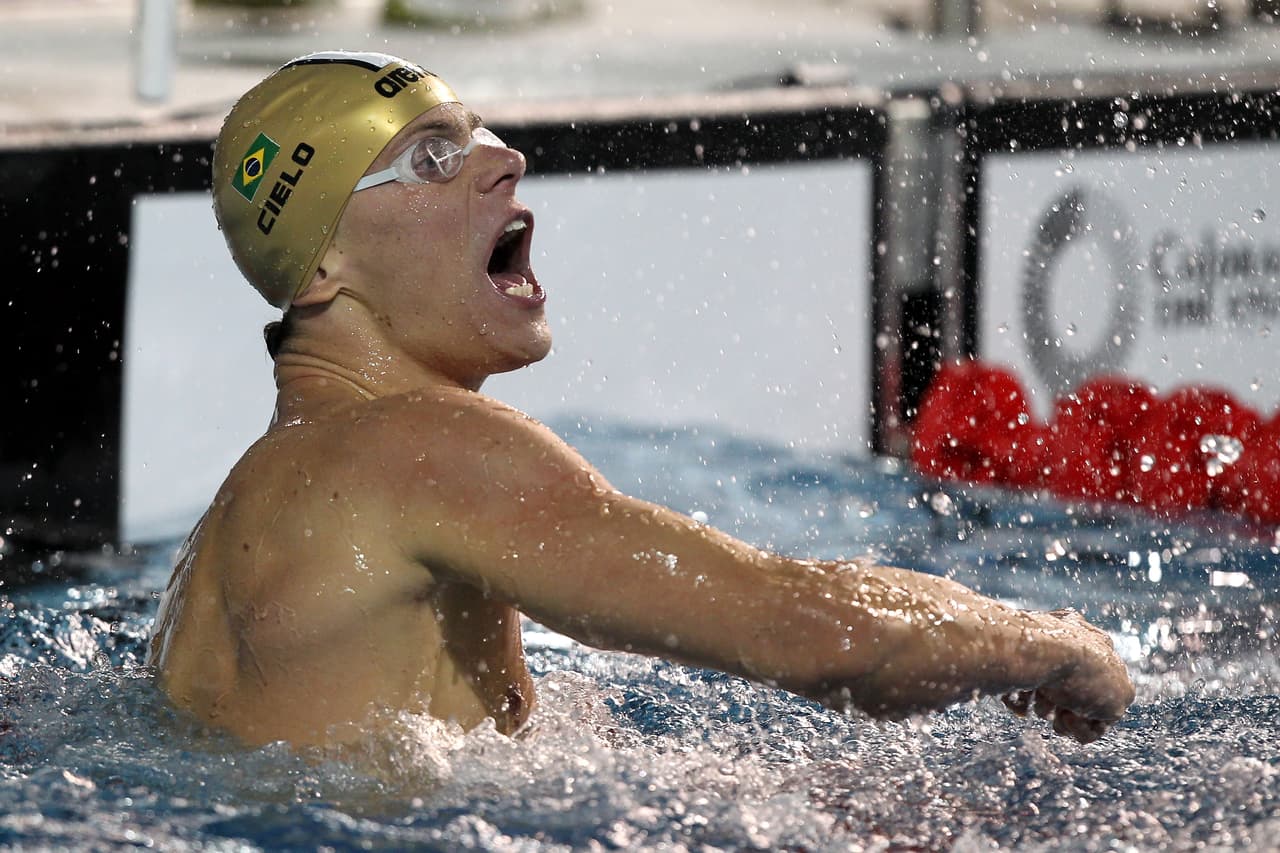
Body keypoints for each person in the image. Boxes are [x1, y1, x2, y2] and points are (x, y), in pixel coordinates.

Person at [147, 51, 1134, 749]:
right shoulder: (427, 448)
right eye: (434, 159)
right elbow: (813, 631)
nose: (503, 159)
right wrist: (1052, 644)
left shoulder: (221, 536)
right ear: (320, 266)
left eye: (477, 132)